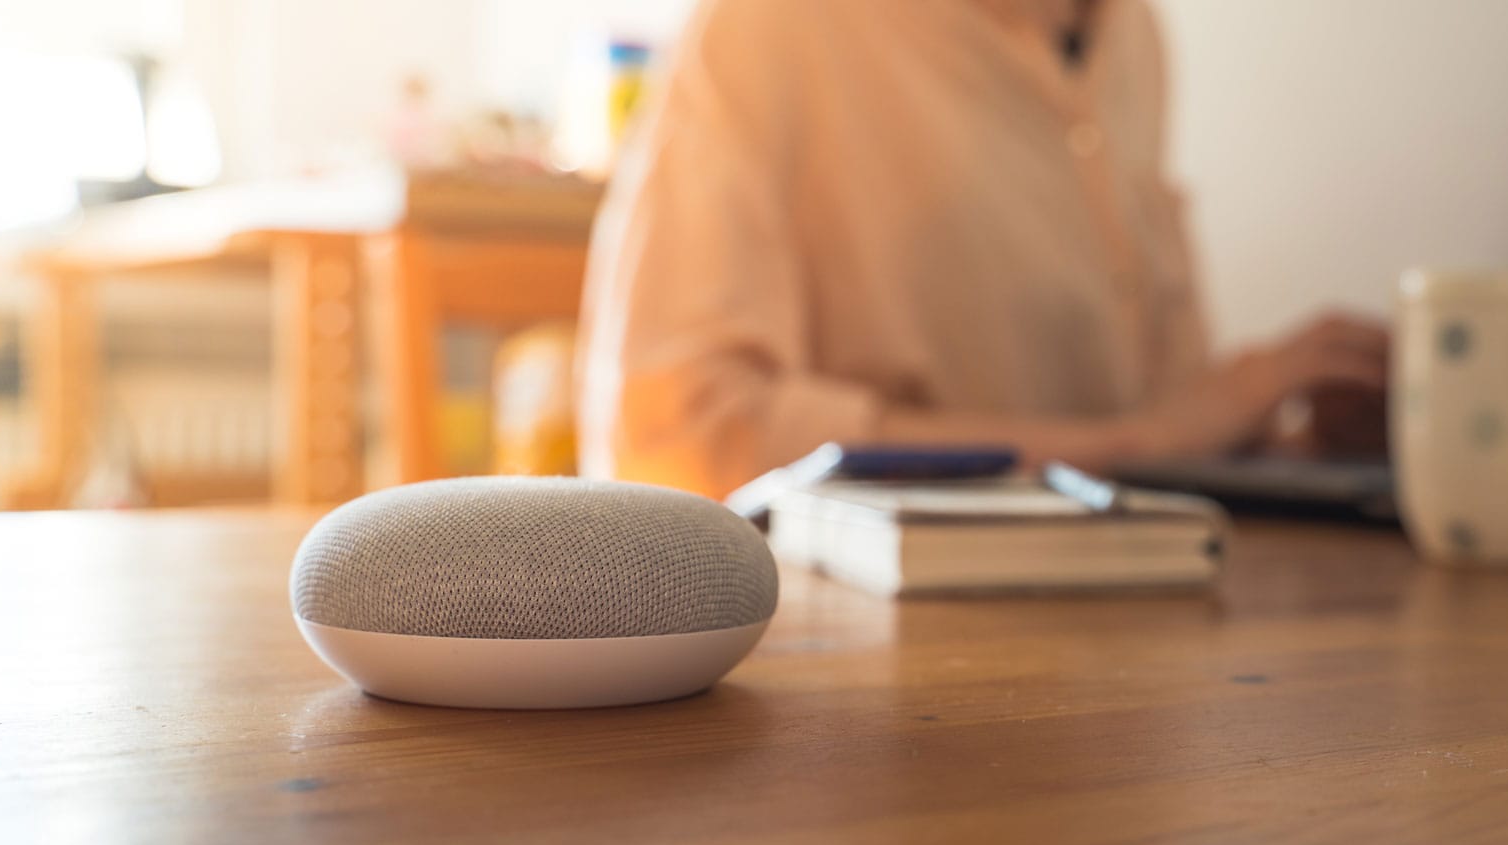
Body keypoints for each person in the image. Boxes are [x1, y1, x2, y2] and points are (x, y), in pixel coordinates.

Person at [579, 0, 1388, 499]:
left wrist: (1283, 444)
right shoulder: (774, 25)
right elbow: (679, 441)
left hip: (1120, 644)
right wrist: (1146, 444)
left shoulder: (1134, 34)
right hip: (860, 678)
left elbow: (1160, 408)